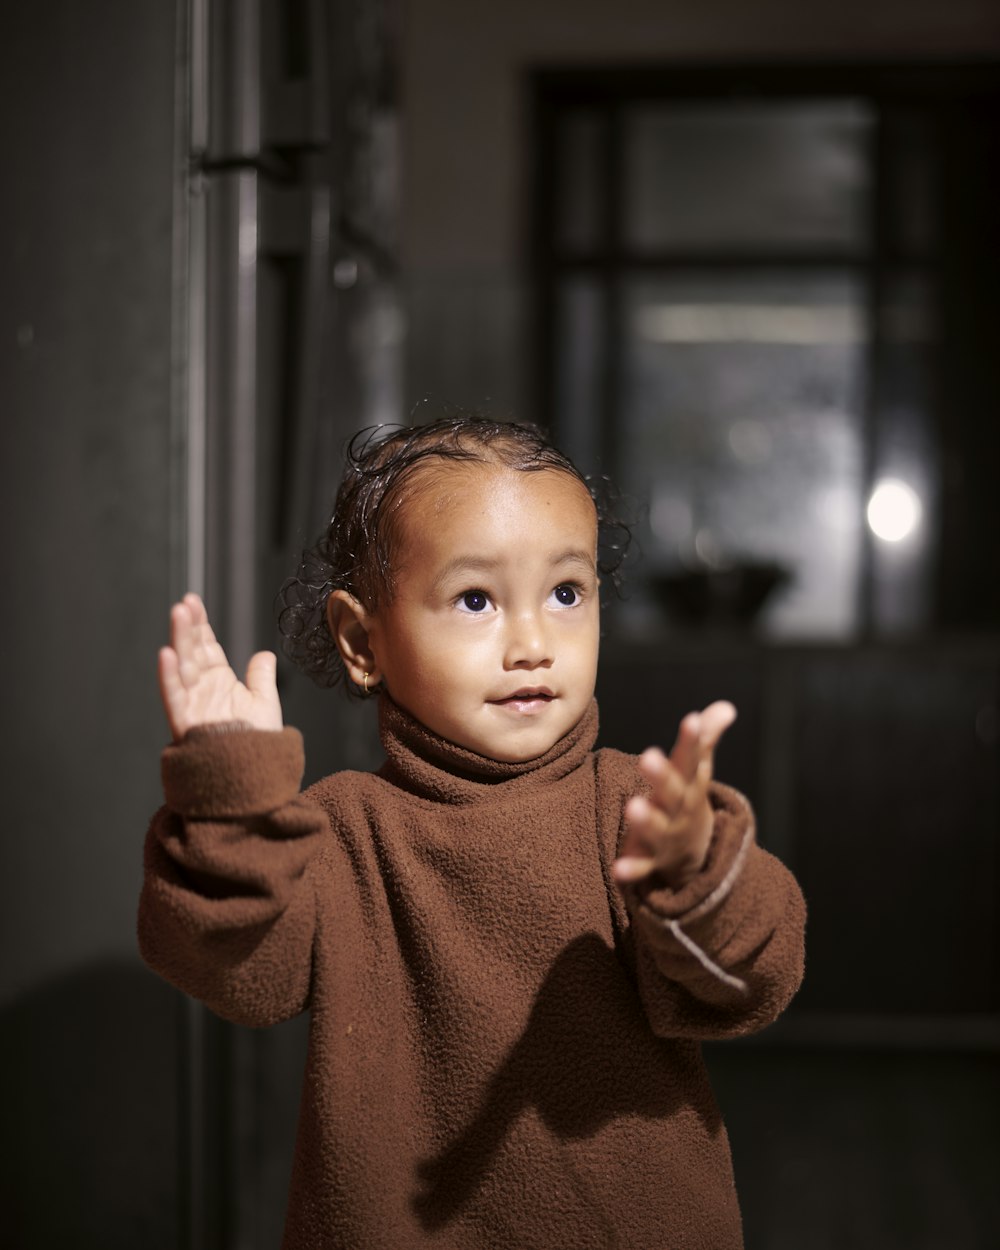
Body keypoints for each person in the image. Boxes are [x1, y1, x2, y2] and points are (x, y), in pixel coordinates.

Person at [139, 416, 805, 1250]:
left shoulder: (638, 808)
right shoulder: (339, 834)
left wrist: (696, 876)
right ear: (361, 641)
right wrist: (232, 800)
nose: (531, 644)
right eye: (476, 599)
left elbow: (752, 985)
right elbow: (238, 974)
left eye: (567, 593)